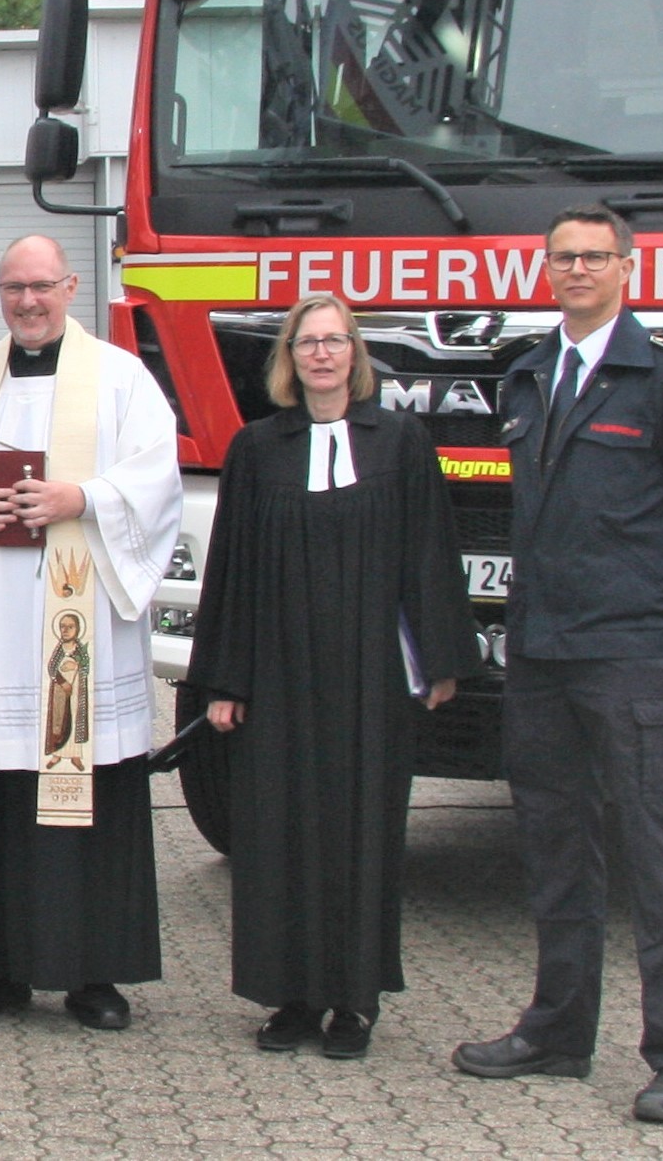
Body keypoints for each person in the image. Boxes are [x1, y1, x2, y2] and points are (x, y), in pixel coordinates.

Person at [453, 206, 663, 1125]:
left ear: (627, 268)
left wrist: (662, 612)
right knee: (553, 848)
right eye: (561, 258)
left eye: (593, 257)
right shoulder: (531, 374)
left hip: (629, 653)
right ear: (545, 271)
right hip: (540, 651)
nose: (576, 270)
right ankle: (558, 1030)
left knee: (656, 856)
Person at [0, 235, 181, 1029]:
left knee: (89, 792)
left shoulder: (120, 380)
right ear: (0, 293)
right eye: (13, 287)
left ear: (69, 286)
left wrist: (79, 499)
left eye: (41, 287)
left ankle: (95, 976)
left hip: (75, 633)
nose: (27, 302)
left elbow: (157, 477)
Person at [187, 292, 480, 1059]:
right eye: (306, 342)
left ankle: (352, 1002)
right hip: (279, 674)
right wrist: (223, 681)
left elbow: (427, 549)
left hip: (366, 675)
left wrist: (442, 660)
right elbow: (234, 569)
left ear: (355, 355)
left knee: (361, 831)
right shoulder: (257, 448)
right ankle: (288, 998)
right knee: (276, 832)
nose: (321, 354)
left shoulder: (399, 441)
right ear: (288, 359)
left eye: (334, 341)